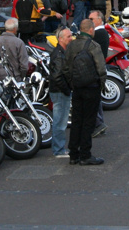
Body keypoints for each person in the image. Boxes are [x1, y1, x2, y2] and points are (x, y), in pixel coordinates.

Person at [64, 19, 106, 165]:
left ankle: (73, 154)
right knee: (89, 121)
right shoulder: (94, 46)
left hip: (77, 88)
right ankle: (85, 155)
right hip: (91, 87)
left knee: (76, 120)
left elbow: (67, 67)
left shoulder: (71, 46)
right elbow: (101, 68)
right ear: (91, 30)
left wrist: (72, 84)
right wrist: (101, 85)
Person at [49, 26, 73, 158]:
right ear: (61, 39)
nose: (71, 38)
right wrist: (67, 89)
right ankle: (58, 150)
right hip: (60, 91)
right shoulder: (59, 54)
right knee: (60, 121)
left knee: (61, 121)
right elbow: (57, 75)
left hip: (60, 90)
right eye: (69, 36)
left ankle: (59, 148)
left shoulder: (61, 52)